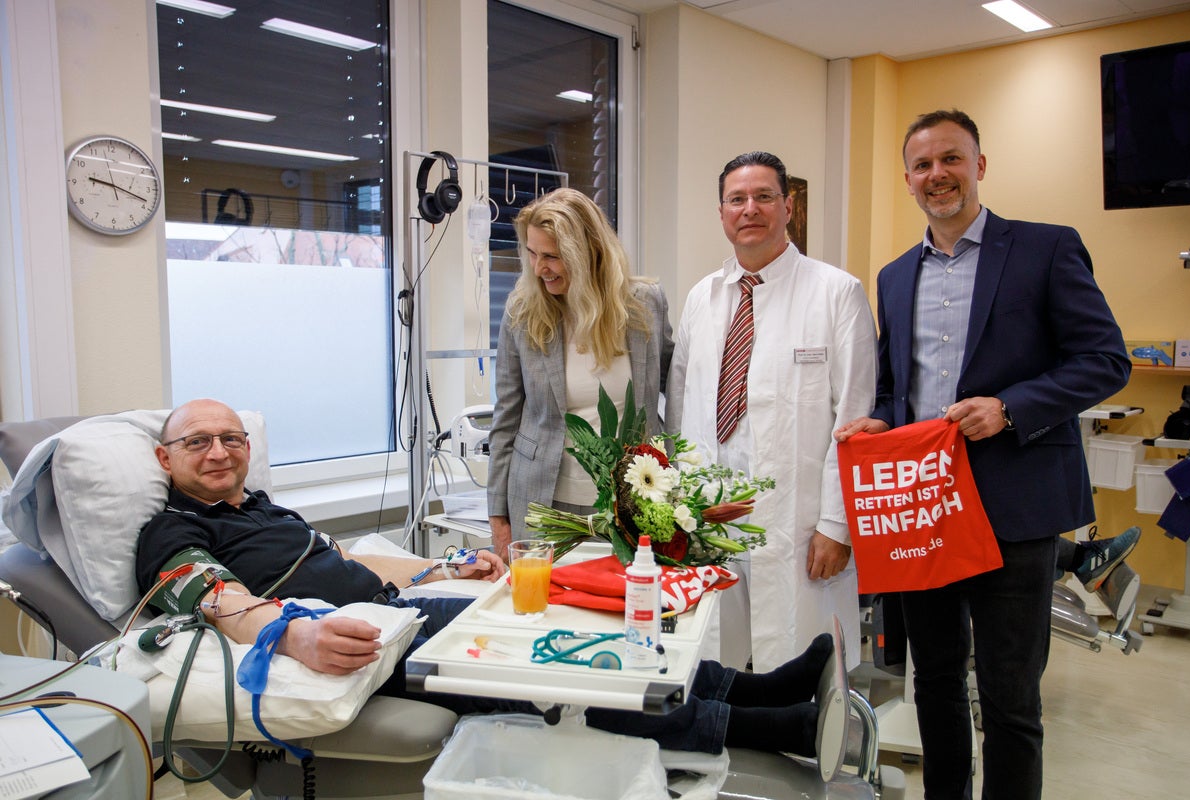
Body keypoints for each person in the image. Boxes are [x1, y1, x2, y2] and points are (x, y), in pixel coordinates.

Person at [135, 399, 834, 757]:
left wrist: (442, 567)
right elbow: (217, 598)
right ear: (167, 459)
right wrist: (296, 637)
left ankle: (757, 688)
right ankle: (772, 729)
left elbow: (348, 563)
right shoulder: (171, 530)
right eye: (198, 441)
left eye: (231, 439)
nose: (219, 451)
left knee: (574, 614)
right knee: (553, 665)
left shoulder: (261, 507)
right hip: (359, 643)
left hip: (397, 608)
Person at [834, 109, 1131, 800]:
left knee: (1009, 698)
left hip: (1014, 510)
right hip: (924, 512)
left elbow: (1104, 360)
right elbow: (892, 383)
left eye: (952, 159)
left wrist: (1011, 407)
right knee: (933, 683)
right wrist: (879, 422)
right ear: (907, 179)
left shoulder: (1046, 248)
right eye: (923, 164)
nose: (938, 175)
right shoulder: (895, 275)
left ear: (979, 166)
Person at [666, 151, 877, 673]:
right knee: (714, 656)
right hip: (710, 514)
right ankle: (722, 748)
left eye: (763, 197)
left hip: (797, 520)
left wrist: (836, 524)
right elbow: (679, 410)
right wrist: (677, 506)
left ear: (788, 206)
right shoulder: (702, 298)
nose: (749, 209)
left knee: (801, 662)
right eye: (736, 199)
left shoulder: (836, 294)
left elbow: (853, 419)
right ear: (721, 213)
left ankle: (811, 751)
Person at [488, 188, 673, 561]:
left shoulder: (645, 304)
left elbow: (680, 387)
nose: (540, 269)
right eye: (533, 253)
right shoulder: (522, 313)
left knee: (627, 608)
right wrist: (498, 517)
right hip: (543, 505)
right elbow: (506, 418)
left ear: (589, 253)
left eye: (552, 256)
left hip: (632, 504)